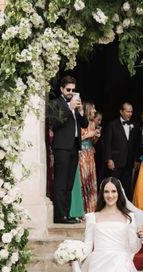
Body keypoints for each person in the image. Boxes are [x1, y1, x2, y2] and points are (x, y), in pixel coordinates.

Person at [47, 75, 87, 224]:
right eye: (68, 89)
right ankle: (60, 215)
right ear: (62, 89)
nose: (71, 92)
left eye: (73, 90)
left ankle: (67, 214)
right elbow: (54, 122)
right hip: (61, 147)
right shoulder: (55, 103)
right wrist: (69, 108)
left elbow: (83, 124)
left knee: (69, 183)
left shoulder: (75, 104)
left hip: (74, 147)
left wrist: (80, 110)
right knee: (60, 183)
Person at [104, 102, 141, 200]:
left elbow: (137, 144)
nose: (130, 114)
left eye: (131, 112)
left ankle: (126, 207)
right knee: (114, 185)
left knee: (128, 186)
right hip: (116, 161)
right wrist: (109, 159)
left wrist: (137, 159)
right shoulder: (112, 125)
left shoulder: (135, 125)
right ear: (121, 111)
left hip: (129, 161)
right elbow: (107, 143)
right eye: (127, 111)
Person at [79, 102, 100, 213]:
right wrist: (89, 134)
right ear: (88, 110)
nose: (94, 111)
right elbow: (78, 139)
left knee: (91, 181)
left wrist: (96, 136)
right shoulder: (81, 122)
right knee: (83, 180)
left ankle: (91, 209)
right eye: (93, 108)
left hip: (90, 154)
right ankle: (82, 210)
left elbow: (92, 141)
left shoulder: (92, 123)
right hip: (82, 153)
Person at [93, 111, 105, 188]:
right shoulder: (87, 128)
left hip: (100, 156)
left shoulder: (100, 129)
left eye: (101, 120)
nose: (100, 122)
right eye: (98, 120)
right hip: (91, 155)